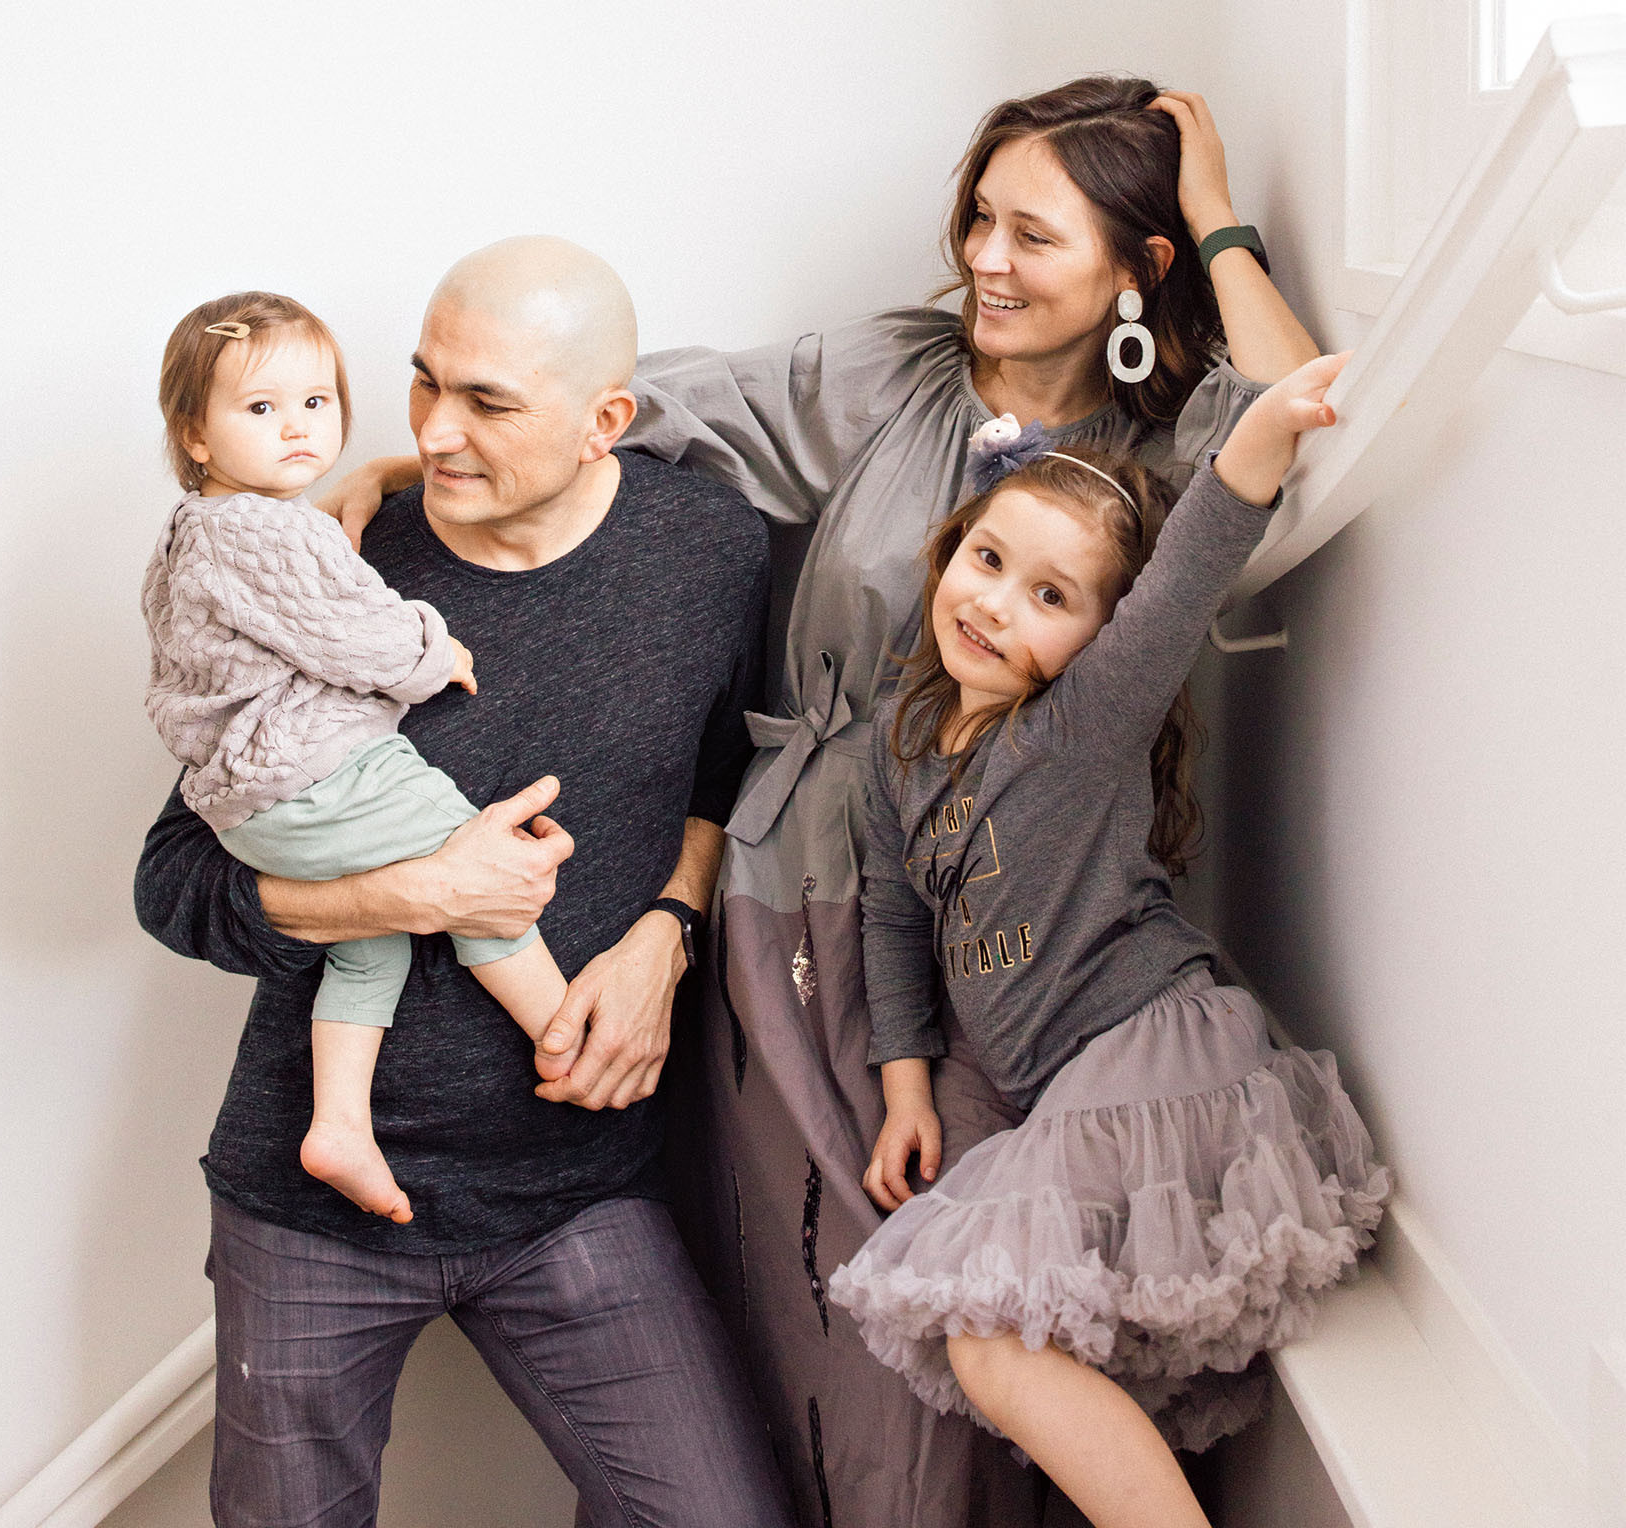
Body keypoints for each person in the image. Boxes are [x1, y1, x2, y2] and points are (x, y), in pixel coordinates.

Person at [327, 79, 1324, 1528]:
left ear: (1136, 267)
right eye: (978, 217)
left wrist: (1215, 214)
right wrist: (446, 455)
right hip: (806, 892)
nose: (983, 257)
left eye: (1032, 234)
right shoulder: (896, 373)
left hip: (1024, 942)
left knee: (977, 1314)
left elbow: (1301, 408)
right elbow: (664, 405)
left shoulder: (1158, 447)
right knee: (818, 1285)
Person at [134, 238, 796, 1528]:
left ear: (606, 421)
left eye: (486, 401)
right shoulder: (335, 560)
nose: (432, 432)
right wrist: (413, 897)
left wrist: (668, 927)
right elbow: (174, 882)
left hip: (574, 1186)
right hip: (309, 1201)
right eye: (423, 382)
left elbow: (725, 774)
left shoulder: (706, 549)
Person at [829, 354, 1389, 1528]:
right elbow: (890, 911)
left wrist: (1264, 433)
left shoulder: (1078, 727)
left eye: (1049, 596)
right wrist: (904, 1090)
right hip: (1055, 1086)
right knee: (1001, 1336)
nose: (994, 603)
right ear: (949, 550)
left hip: (1155, 1051)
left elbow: (1186, 575)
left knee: (986, 1333)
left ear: (1096, 640)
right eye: (988, 560)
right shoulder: (893, 745)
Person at [144, 290, 572, 1229]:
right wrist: (435, 650)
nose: (298, 427)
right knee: (477, 861)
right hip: (314, 774)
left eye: (316, 401)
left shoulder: (197, 529)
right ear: (197, 435)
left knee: (369, 943)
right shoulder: (267, 531)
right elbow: (357, 638)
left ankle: (339, 1125)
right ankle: (564, 1033)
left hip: (256, 804)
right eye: (262, 408)